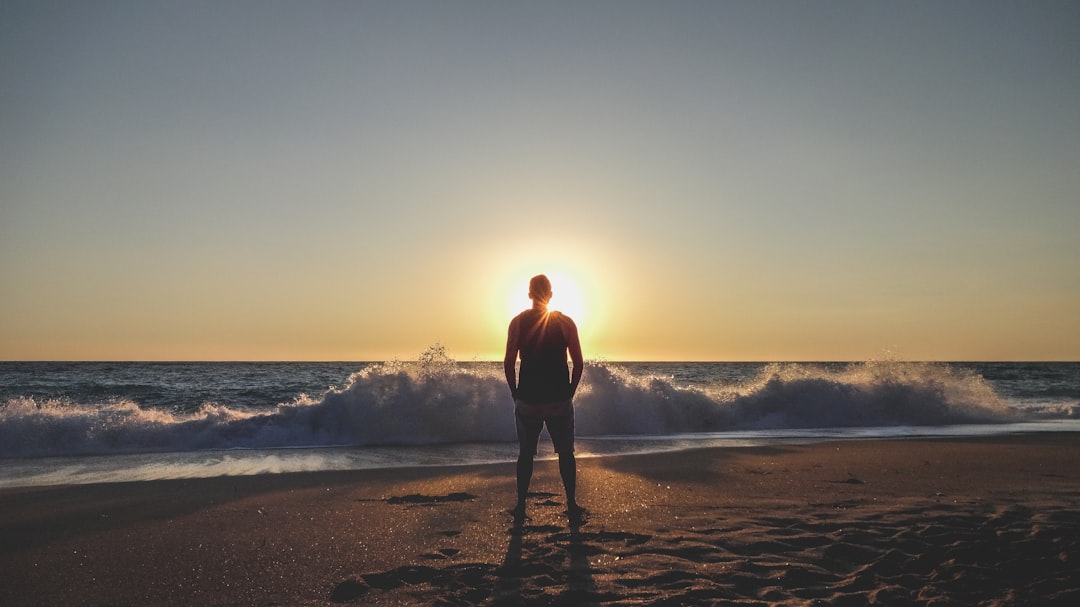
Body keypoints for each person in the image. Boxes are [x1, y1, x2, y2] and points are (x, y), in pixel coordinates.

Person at [504, 274, 585, 522]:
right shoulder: (566, 322)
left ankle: (520, 506)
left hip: (529, 399)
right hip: (559, 399)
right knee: (565, 453)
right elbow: (578, 363)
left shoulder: (517, 322)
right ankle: (571, 504)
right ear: (550, 294)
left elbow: (509, 362)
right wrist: (569, 392)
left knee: (526, 454)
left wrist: (515, 393)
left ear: (529, 294)